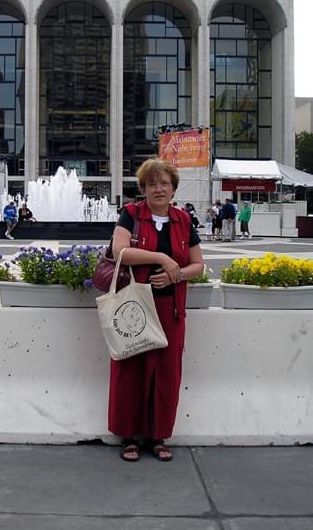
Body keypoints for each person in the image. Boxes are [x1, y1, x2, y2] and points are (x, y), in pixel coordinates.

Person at [110, 158, 204, 462]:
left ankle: (157, 436)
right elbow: (120, 251)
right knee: (131, 370)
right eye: (152, 184)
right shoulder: (131, 214)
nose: (159, 189)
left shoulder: (184, 220)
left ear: (173, 188)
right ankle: (129, 437)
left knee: (166, 373)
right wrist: (162, 259)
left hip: (170, 309)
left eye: (164, 183)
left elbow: (198, 266)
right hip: (135, 306)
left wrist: (177, 274)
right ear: (143, 189)